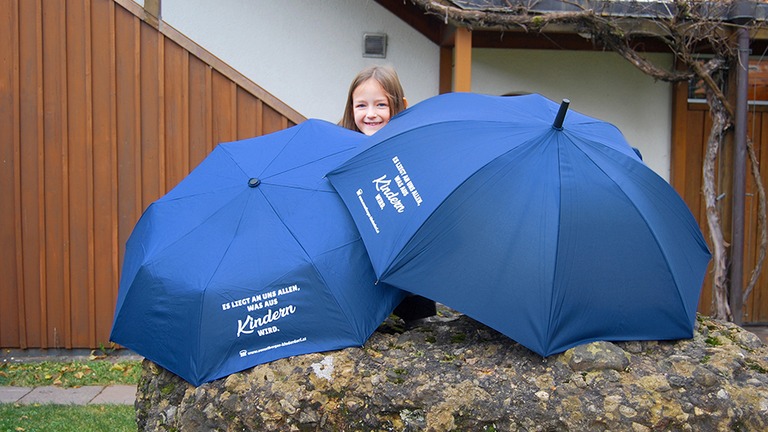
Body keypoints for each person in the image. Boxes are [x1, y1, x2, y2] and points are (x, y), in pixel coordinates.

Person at [339, 65, 437, 323]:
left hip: (407, 257)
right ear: (351, 108)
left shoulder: (413, 147)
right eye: (361, 106)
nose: (370, 114)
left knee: (417, 319)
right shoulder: (341, 149)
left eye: (380, 105)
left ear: (399, 105)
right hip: (362, 256)